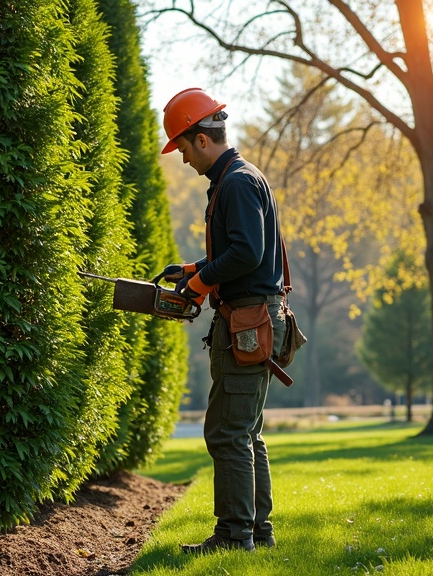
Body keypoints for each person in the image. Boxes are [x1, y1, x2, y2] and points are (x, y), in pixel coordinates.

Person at [159, 87, 288, 554]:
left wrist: (199, 285)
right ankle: (258, 532)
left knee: (227, 431)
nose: (185, 160)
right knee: (244, 430)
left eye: (183, 149)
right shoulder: (240, 176)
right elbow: (243, 250)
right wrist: (197, 269)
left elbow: (247, 253)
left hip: (249, 319)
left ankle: (236, 537)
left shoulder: (234, 182)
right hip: (253, 314)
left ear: (201, 139)